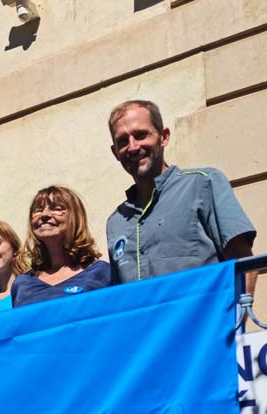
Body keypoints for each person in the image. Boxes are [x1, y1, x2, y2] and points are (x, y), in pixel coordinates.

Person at [106, 99, 257, 293]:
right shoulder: (116, 223)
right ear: (115, 152)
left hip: (205, 322)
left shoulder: (203, 184)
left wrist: (234, 322)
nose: (133, 147)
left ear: (164, 137)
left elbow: (244, 263)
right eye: (123, 141)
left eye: (141, 135)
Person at [11, 186, 111, 307]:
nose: (45, 215)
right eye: (38, 210)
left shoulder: (100, 272)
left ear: (75, 217)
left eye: (56, 208)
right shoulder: (22, 284)